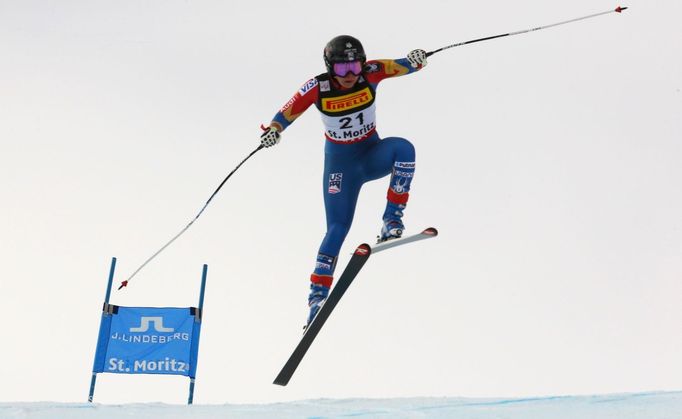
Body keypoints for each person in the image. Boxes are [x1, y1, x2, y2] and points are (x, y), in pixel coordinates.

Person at [260, 35, 427, 327]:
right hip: (341, 169)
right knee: (337, 228)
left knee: (404, 148)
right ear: (329, 68)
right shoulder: (318, 87)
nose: (350, 75)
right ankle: (316, 298)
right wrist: (274, 129)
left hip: (372, 154)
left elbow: (403, 66)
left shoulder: (371, 71)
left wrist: (416, 60)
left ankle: (391, 220)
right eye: (341, 70)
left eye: (355, 67)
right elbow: (288, 111)